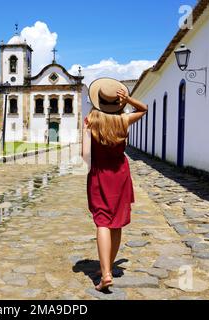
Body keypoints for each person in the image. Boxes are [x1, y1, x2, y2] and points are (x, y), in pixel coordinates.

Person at [82, 78, 148, 291]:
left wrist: (94, 165)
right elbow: (144, 109)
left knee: (102, 221)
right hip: (120, 175)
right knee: (116, 222)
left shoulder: (90, 120)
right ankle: (108, 267)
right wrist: (128, 99)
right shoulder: (123, 120)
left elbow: (84, 154)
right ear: (117, 102)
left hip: (100, 174)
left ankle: (106, 274)